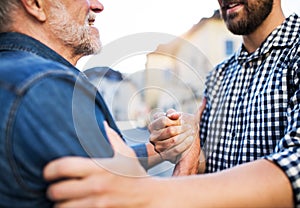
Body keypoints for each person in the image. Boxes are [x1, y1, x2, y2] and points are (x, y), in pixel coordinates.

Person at [43, 0, 299, 207]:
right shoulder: (219, 75)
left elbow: (295, 164)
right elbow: (209, 166)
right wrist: (185, 139)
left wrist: (149, 192)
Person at [0, 0, 200, 207]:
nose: (97, 5)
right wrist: (188, 164)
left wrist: (164, 146)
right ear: (35, 4)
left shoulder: (15, 76)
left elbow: (99, 163)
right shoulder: (48, 88)